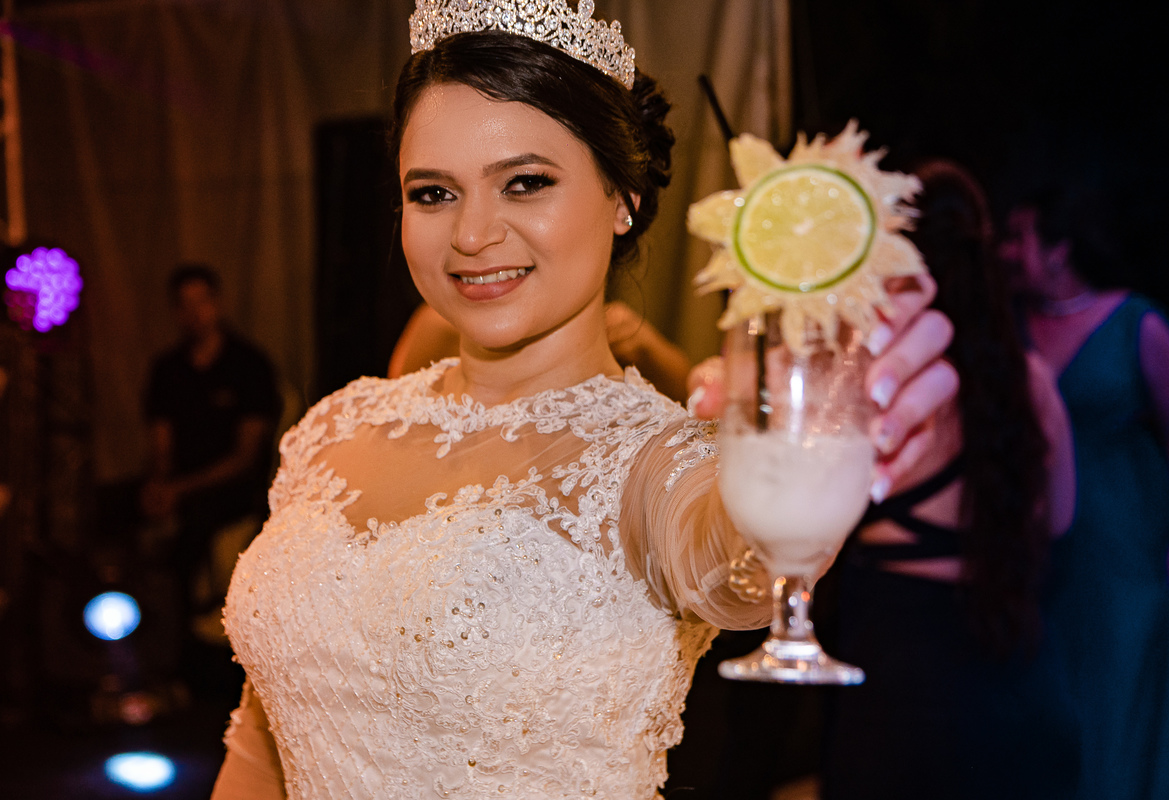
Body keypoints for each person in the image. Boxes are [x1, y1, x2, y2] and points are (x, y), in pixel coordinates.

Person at [211, 4, 957, 797]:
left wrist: (823, 430)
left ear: (622, 197)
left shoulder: (652, 462)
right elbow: (264, 739)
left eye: (526, 183)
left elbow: (737, 561)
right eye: (433, 193)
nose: (472, 233)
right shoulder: (330, 431)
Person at [817, 160, 1080, 800]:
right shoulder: (1030, 379)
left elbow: (808, 510)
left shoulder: (880, 380)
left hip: (900, 674)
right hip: (1016, 670)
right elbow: (1062, 522)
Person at [1002, 187, 1169, 800]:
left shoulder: (1138, 322)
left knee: (1121, 687)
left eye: (1019, 238)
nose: (1006, 252)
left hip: (1123, 532)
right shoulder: (1011, 327)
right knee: (1052, 689)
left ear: (1059, 249)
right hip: (1039, 539)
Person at [143, 264, 281, 679]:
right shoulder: (167, 369)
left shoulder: (248, 365)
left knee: (194, 527)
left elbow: (245, 457)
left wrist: (179, 490)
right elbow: (161, 442)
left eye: (201, 302)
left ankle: (188, 655)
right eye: (184, 305)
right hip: (181, 484)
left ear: (217, 304)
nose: (194, 313)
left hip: (233, 487)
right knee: (112, 506)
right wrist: (159, 484)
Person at [389, 300, 693, 402]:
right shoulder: (442, 328)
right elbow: (399, 421)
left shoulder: (619, 335)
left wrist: (648, 349)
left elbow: (695, 411)